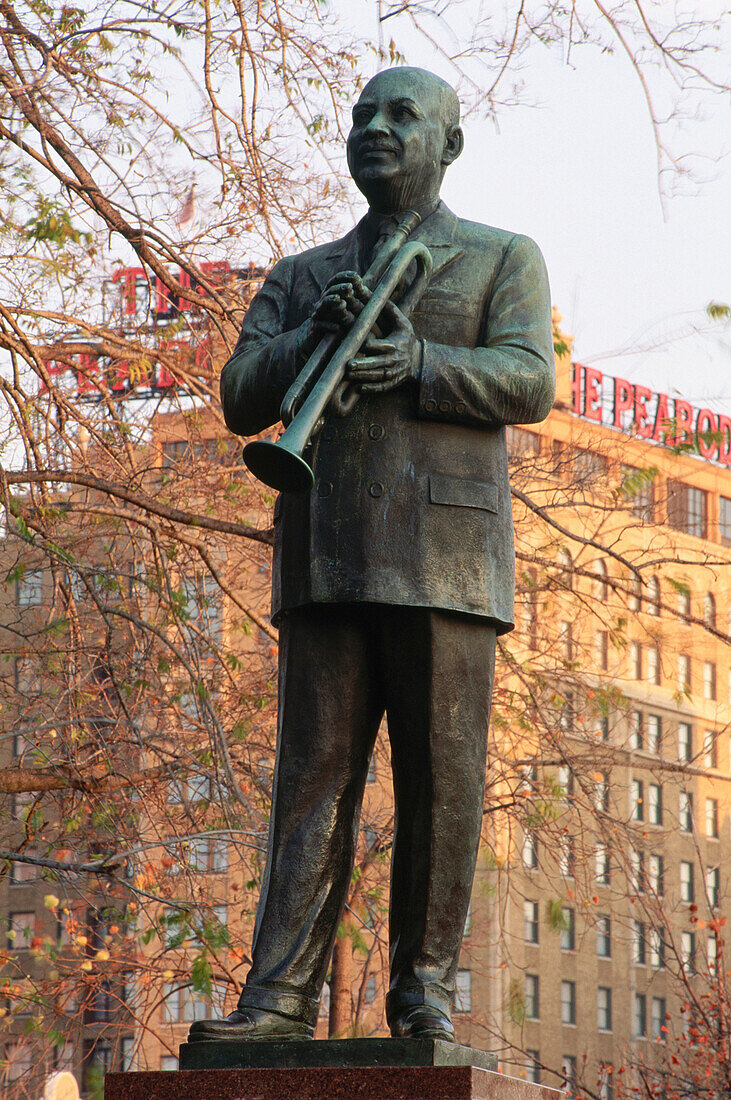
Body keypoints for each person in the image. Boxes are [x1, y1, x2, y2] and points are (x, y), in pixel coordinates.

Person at [189, 66, 554, 1044]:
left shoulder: (499, 258)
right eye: (361, 117)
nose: (376, 130)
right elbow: (239, 395)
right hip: (326, 547)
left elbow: (528, 377)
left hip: (444, 556)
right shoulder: (303, 276)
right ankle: (276, 1000)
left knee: (441, 783)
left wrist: (424, 364)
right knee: (311, 777)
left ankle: (421, 990)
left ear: (449, 143)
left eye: (401, 116)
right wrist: (317, 328)